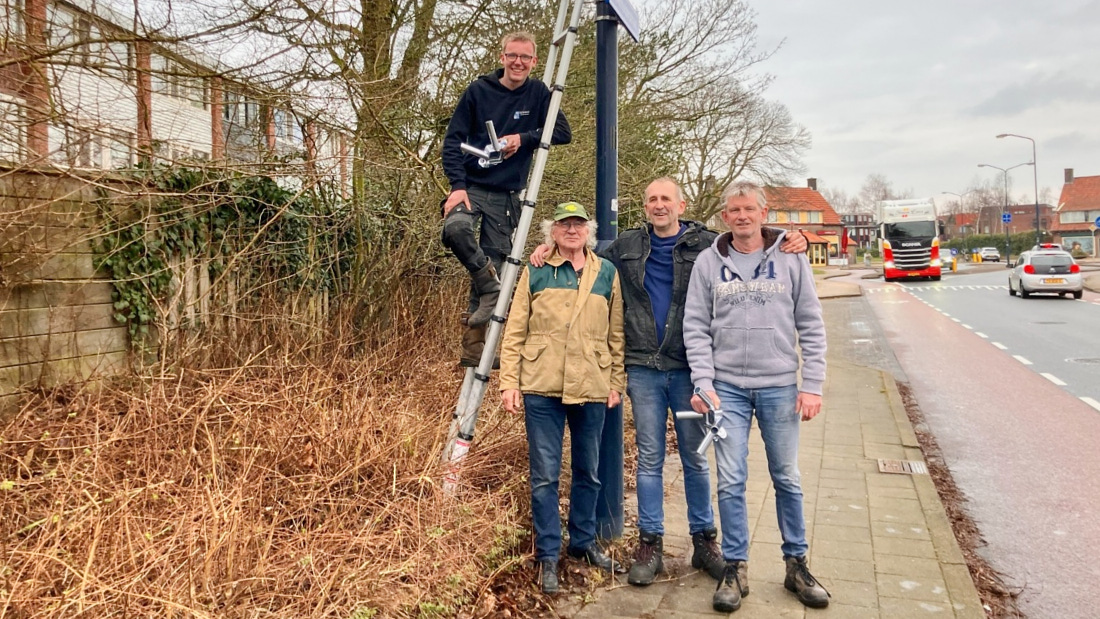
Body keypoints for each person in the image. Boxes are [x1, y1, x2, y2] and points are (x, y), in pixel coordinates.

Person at [529, 178, 807, 587]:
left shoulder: (707, 245)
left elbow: (748, 232)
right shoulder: (627, 245)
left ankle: (703, 540)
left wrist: (792, 236)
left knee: (695, 457)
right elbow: (581, 254)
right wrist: (546, 249)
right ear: (645, 207)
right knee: (649, 458)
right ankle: (651, 543)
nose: (659, 205)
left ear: (681, 205)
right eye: (652, 200)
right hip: (643, 368)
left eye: (666, 199)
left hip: (689, 369)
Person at [683, 181, 829, 612]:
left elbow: (811, 323)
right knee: (730, 480)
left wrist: (812, 384)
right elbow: (695, 325)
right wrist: (703, 383)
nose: (742, 216)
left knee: (787, 477)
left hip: (780, 385)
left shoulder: (791, 257)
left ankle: (796, 564)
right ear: (724, 217)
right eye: (734, 210)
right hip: (725, 389)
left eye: (749, 209)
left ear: (764, 213)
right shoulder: (709, 262)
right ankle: (734, 567)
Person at [499, 202, 626, 595]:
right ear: (552, 232)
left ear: (589, 231)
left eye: (578, 224)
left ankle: (583, 543)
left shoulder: (606, 272)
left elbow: (616, 333)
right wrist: (509, 382)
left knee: (589, 471)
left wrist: (616, 381)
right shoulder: (536, 269)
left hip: (591, 383)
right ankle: (548, 555)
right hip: (542, 384)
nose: (572, 230)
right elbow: (515, 328)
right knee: (545, 477)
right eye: (564, 224)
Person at [441, 31, 572, 366]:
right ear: (502, 58)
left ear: (534, 61)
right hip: (470, 185)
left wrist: (522, 139)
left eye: (525, 57)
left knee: (495, 264)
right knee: (456, 229)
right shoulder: (478, 91)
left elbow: (562, 133)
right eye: (512, 55)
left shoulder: (539, 94)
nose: (518, 62)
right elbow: (453, 141)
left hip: (506, 197)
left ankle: (474, 349)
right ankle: (487, 282)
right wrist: (457, 186)